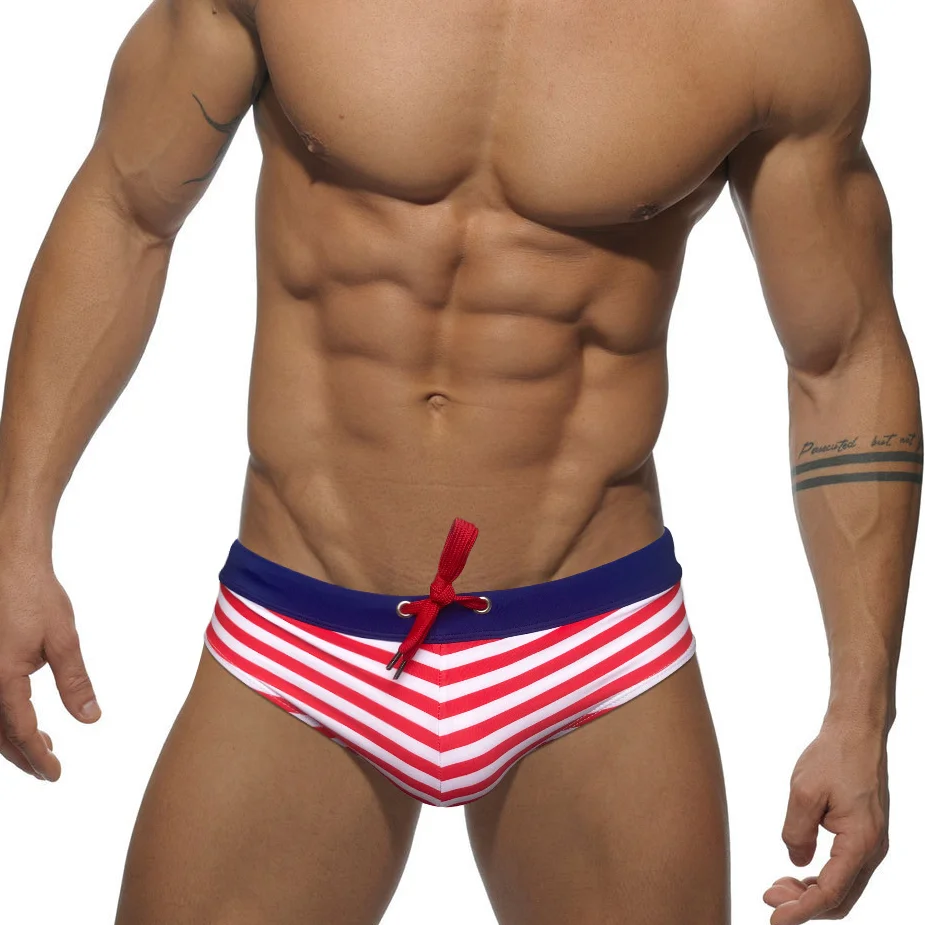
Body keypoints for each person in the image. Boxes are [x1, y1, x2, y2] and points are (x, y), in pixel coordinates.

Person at [0, 0, 919, 922]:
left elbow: (840, 357)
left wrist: (860, 712)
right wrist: (14, 543)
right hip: (299, 633)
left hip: (593, 647)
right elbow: (127, 209)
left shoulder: (766, 20)